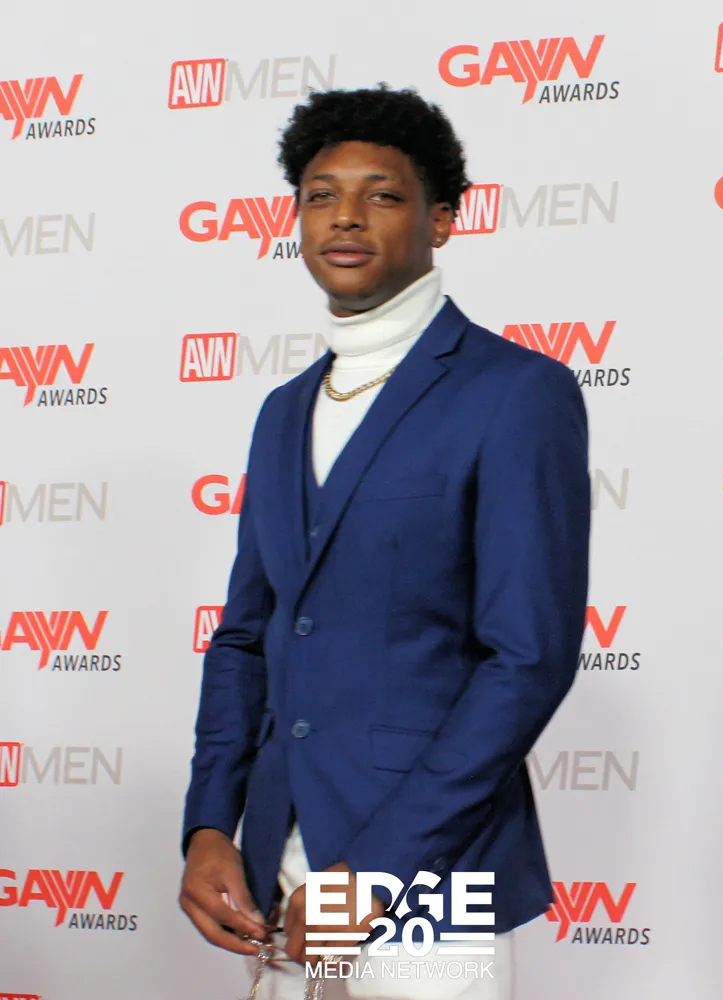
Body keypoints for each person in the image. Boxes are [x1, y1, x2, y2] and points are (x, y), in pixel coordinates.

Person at [179, 85, 591, 1000]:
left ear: (441, 219)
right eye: (321, 195)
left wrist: (373, 875)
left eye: (384, 194)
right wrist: (209, 824)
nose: (346, 216)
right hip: (276, 871)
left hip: (432, 872)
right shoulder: (282, 411)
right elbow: (246, 636)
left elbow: (527, 658)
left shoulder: (517, 393)